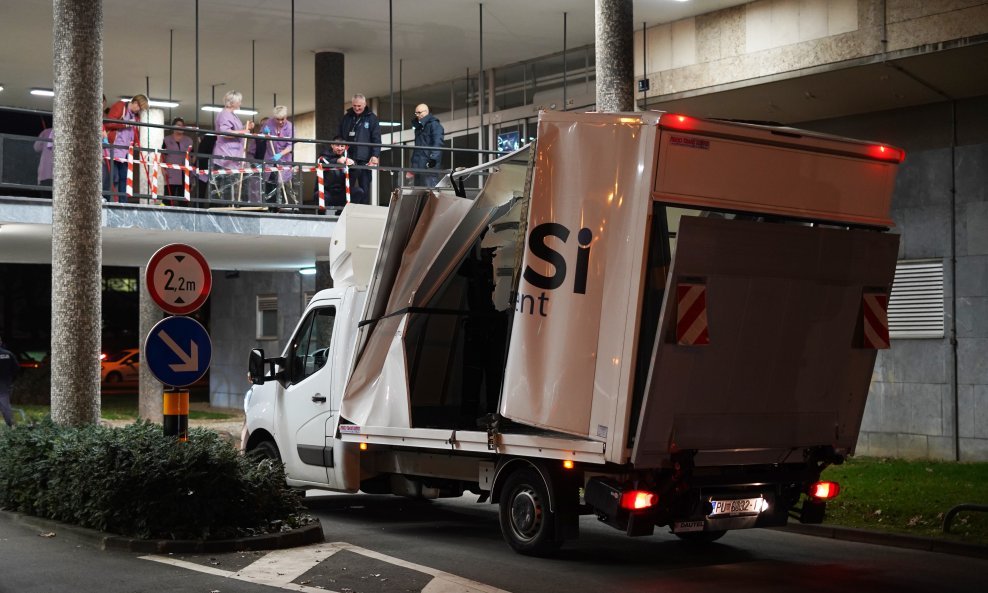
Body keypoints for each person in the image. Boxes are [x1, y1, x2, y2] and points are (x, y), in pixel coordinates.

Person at [211, 90, 255, 202]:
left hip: (235, 155)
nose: (240, 103)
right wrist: (243, 131)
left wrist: (246, 127)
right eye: (239, 101)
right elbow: (225, 132)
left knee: (236, 186)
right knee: (227, 188)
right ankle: (228, 210)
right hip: (226, 155)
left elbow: (236, 131)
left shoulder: (232, 115)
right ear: (232, 102)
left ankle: (237, 206)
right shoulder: (224, 114)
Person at [104, 94, 149, 202]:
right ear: (135, 102)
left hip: (126, 151)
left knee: (124, 178)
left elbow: (133, 131)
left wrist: (135, 142)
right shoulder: (120, 106)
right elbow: (108, 123)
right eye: (139, 107)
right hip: (114, 148)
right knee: (113, 177)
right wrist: (125, 124)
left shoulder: (135, 116)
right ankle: (108, 200)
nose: (138, 110)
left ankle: (123, 203)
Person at [337, 94, 380, 205]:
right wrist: (340, 154)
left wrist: (375, 155)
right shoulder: (347, 117)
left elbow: (376, 139)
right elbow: (340, 136)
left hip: (364, 159)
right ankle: (344, 210)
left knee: (364, 187)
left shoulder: (372, 118)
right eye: (354, 105)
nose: (356, 108)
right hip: (349, 157)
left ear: (365, 104)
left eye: (359, 106)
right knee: (346, 186)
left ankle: (363, 211)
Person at [316, 137, 362, 212]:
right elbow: (322, 162)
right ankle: (321, 219)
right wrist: (337, 161)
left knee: (358, 191)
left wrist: (353, 164)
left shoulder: (348, 156)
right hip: (327, 191)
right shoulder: (324, 155)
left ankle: (343, 214)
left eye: (342, 146)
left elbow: (357, 173)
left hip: (342, 192)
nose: (340, 148)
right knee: (319, 195)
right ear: (332, 145)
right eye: (337, 145)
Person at [264, 105, 296, 205]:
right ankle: (270, 207)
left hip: (284, 159)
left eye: (283, 119)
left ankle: (283, 206)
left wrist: (280, 154)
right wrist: (264, 133)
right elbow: (261, 137)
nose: (281, 121)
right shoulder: (269, 123)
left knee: (282, 183)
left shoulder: (290, 127)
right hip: (270, 157)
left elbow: (290, 146)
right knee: (269, 183)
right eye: (278, 119)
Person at [408, 103, 444, 187]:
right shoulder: (419, 127)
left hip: (429, 167)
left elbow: (438, 143)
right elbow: (417, 149)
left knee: (430, 193)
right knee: (419, 194)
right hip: (418, 167)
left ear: (426, 112)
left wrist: (433, 160)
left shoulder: (434, 125)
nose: (417, 115)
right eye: (416, 113)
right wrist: (413, 166)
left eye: (419, 112)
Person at [161, 117, 194, 204]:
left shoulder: (189, 140)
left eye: (183, 125)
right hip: (171, 171)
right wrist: (163, 169)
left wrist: (192, 168)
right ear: (173, 127)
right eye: (179, 125)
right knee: (168, 197)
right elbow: (162, 155)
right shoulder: (167, 139)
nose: (181, 127)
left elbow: (193, 156)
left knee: (183, 199)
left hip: (185, 172)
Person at [0, 335, 18, 428]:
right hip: (5, 384)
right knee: (5, 406)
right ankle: (11, 425)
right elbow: (16, 369)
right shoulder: (9, 354)